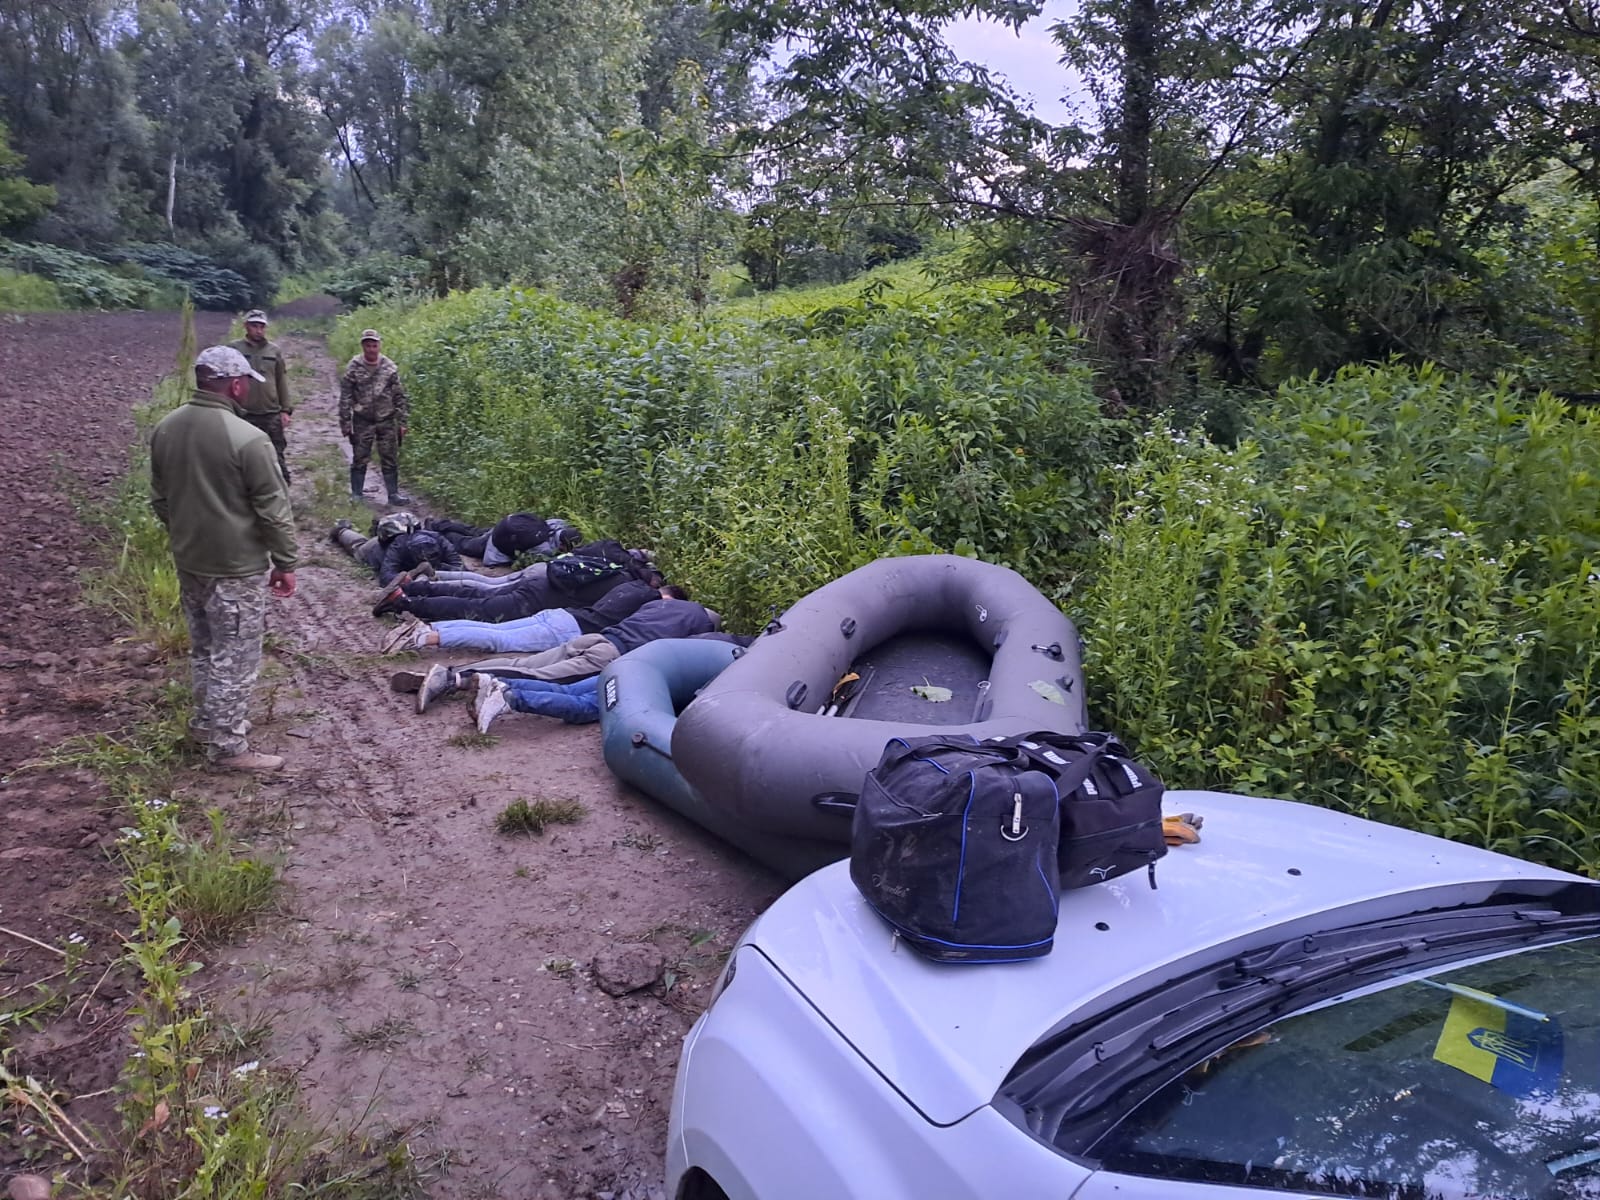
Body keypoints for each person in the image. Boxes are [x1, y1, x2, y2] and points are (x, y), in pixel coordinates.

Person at [149, 345, 297, 772]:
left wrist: (187, 533)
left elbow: (160, 498)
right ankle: (229, 748)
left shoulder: (166, 428)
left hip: (190, 559)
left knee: (205, 647)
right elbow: (273, 510)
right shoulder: (249, 439)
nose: (248, 390)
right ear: (235, 384)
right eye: (247, 383)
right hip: (235, 567)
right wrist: (286, 563)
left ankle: (205, 723)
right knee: (236, 656)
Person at [403, 596, 722, 725]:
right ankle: (453, 679)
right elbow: (679, 656)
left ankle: (451, 674)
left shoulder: (664, 605)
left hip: (595, 637)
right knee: (543, 677)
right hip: (611, 656)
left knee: (522, 663)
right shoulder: (701, 628)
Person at [373, 539, 655, 624]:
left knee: (477, 592)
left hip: (543, 578)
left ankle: (413, 586)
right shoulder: (630, 590)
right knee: (481, 609)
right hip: (538, 599)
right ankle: (404, 602)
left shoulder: (618, 568)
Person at [381, 581, 686, 655]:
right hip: (571, 630)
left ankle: (430, 627)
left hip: (562, 614)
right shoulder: (653, 604)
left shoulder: (631, 585)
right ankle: (425, 638)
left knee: (493, 627)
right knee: (500, 640)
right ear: (669, 599)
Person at [340, 328, 409, 505]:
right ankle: (356, 494)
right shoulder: (354, 367)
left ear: (379, 346)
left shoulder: (389, 367)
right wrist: (345, 422)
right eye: (368, 345)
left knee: (389, 456)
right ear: (363, 346)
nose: (371, 349)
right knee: (360, 456)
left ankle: (393, 494)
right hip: (363, 419)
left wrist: (402, 421)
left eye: (374, 345)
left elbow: (399, 395)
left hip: (386, 419)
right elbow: (346, 396)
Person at [229, 309, 293, 482]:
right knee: (243, 457)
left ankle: (281, 492)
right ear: (246, 326)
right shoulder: (234, 349)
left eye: (261, 326)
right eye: (254, 326)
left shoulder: (274, 351)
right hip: (244, 413)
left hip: (270, 412)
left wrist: (285, 410)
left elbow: (281, 381)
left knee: (276, 456)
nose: (258, 330)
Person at [329, 513, 463, 586]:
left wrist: (440, 572)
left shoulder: (439, 539)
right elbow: (386, 578)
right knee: (358, 547)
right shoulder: (397, 548)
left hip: (392, 542)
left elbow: (460, 567)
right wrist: (413, 575)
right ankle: (341, 530)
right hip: (378, 549)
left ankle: (377, 528)